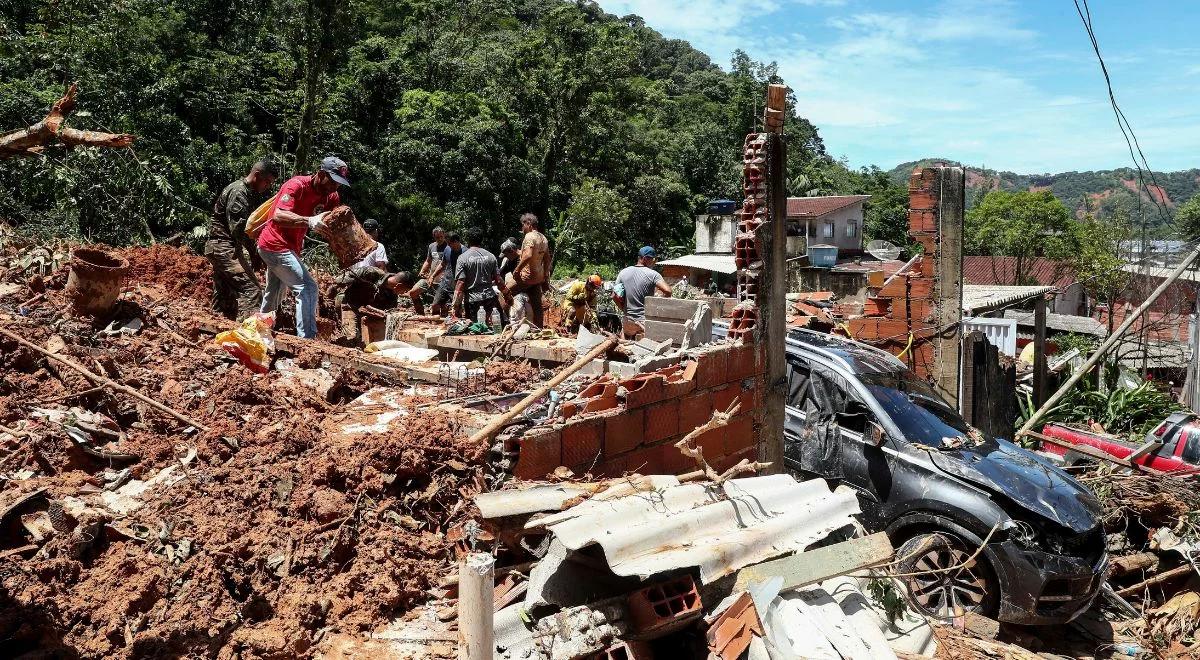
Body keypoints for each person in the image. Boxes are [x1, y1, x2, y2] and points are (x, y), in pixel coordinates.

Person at [257, 156, 348, 339]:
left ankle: (259, 332)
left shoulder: (331, 196)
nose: (334, 187)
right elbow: (279, 215)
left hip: (289, 247)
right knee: (308, 288)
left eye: (338, 184)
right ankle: (307, 341)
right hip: (274, 244)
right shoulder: (296, 185)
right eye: (332, 182)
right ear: (321, 174)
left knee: (274, 292)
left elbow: (335, 223)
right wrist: (309, 221)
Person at [205, 160, 277, 320]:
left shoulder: (245, 192)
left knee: (224, 294)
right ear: (257, 175)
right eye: (267, 181)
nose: (268, 186)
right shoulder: (239, 191)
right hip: (223, 246)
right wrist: (254, 253)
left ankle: (215, 328)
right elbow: (239, 229)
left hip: (221, 247)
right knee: (251, 290)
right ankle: (248, 335)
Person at [330, 266, 414, 344]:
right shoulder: (373, 273)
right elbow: (338, 280)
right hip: (350, 305)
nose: (404, 293)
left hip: (367, 313)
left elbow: (387, 314)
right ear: (399, 285)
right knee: (351, 338)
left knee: (376, 340)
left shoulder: (392, 296)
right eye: (405, 290)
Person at [614, 246, 672, 338]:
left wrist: (624, 310)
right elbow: (668, 291)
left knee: (625, 346)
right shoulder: (653, 274)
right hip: (643, 322)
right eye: (653, 259)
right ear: (645, 258)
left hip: (627, 321)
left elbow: (614, 295)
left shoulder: (623, 272)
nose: (654, 262)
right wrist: (657, 304)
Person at [452, 227, 507, 325]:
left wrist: (455, 307)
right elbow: (498, 280)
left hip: (473, 301)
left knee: (476, 331)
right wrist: (508, 296)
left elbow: (460, 284)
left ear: (468, 240)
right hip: (490, 299)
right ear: (481, 239)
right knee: (497, 328)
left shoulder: (462, 258)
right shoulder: (491, 256)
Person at [508, 213, 552, 327]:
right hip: (538, 278)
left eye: (523, 225)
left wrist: (517, 270)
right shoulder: (543, 238)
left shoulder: (529, 236)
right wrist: (545, 276)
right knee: (537, 305)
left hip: (526, 277)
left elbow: (528, 255)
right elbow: (547, 259)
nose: (522, 228)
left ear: (529, 224)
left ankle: (504, 322)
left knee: (504, 292)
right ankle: (539, 329)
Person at [408, 227, 446, 315]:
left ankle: (440, 323)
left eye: (441, 236)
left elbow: (445, 264)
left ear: (444, 235)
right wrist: (422, 270)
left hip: (443, 280)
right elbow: (428, 260)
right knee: (413, 292)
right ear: (434, 237)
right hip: (429, 278)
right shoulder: (432, 246)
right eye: (437, 237)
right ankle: (420, 315)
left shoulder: (448, 247)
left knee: (439, 305)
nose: (440, 239)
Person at [431, 232, 463, 317]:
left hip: (457, 287)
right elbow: (442, 264)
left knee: (456, 311)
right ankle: (435, 326)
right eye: (447, 243)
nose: (448, 245)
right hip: (444, 284)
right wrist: (433, 276)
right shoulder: (447, 249)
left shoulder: (465, 252)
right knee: (435, 305)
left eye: (450, 243)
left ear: (456, 241)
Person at [496, 238, 519, 327]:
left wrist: (505, 289)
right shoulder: (510, 261)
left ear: (511, 251)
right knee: (502, 293)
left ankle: (506, 321)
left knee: (503, 294)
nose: (505, 257)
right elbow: (500, 272)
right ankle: (507, 319)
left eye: (506, 254)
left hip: (524, 285)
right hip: (516, 284)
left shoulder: (520, 259)